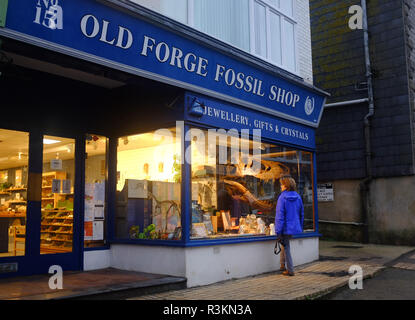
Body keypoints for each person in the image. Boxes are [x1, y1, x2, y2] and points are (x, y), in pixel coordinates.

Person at [275, 176, 304, 276]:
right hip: (294, 227)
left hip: (284, 227)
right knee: (284, 245)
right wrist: (300, 226)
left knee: (286, 246)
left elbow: (280, 216)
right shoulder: (298, 197)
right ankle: (282, 265)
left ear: (285, 186)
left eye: (282, 184)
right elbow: (301, 214)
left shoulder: (282, 197)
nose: (281, 186)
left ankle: (290, 270)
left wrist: (278, 231)